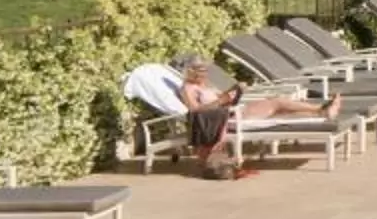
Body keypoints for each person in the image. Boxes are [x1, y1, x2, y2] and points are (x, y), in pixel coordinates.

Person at [123, 56, 339, 178]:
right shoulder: (187, 89)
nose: (203, 73)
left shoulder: (202, 85)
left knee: (277, 105)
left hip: (231, 112)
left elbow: (221, 100)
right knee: (277, 103)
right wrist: (223, 98)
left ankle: (321, 111)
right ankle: (321, 110)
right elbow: (195, 112)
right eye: (199, 70)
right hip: (226, 120)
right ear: (190, 72)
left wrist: (234, 93)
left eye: (204, 70)